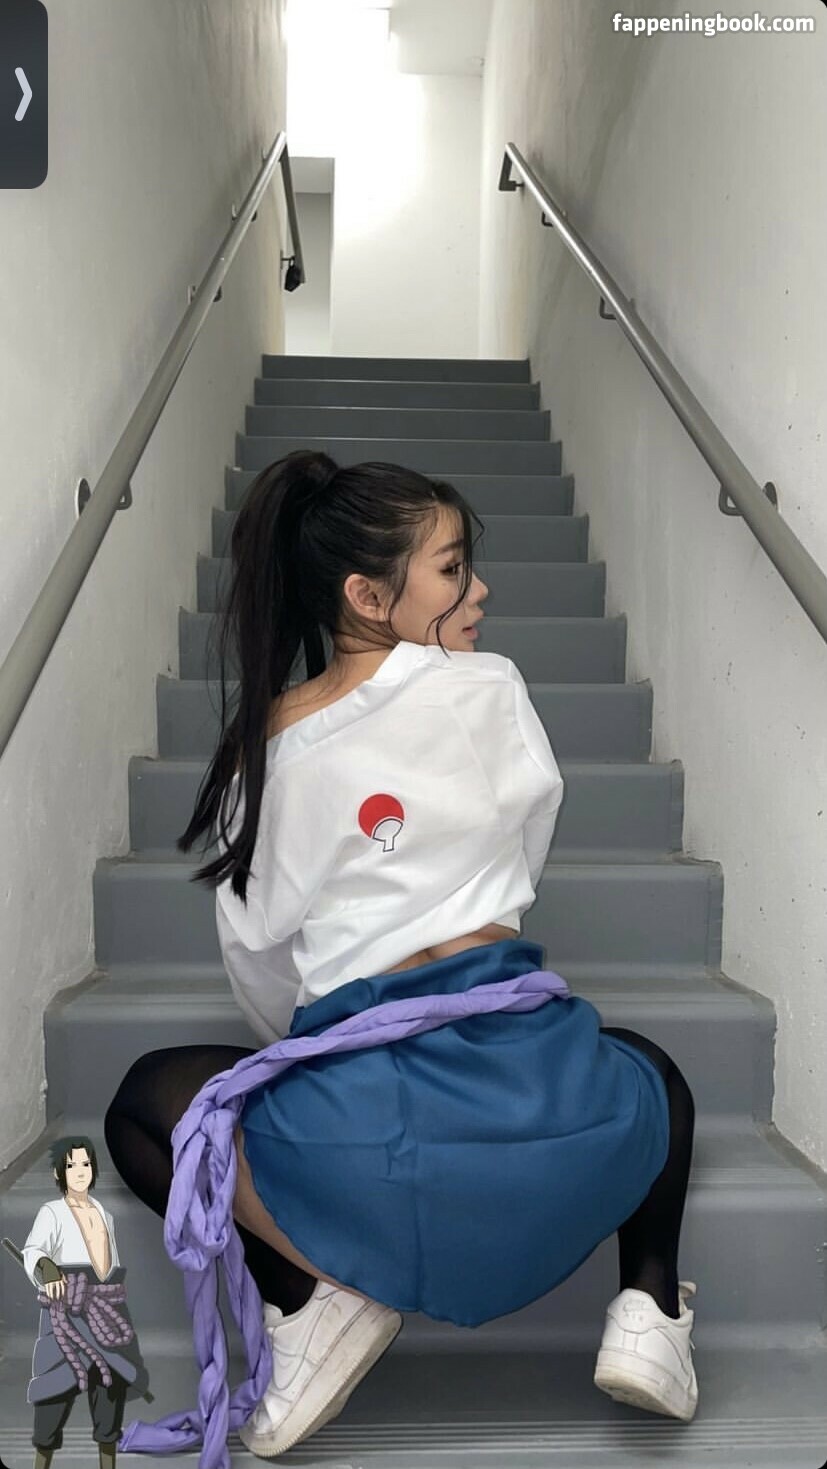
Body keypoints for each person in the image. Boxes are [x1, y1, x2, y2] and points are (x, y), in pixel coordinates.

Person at [103, 450, 698, 1468]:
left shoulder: (266, 745)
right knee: (652, 1071)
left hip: (368, 1148)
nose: (480, 591)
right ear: (367, 595)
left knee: (142, 1104)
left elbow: (259, 962)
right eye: (453, 570)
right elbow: (520, 858)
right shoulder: (490, 686)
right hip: (547, 1113)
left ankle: (310, 1300)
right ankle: (647, 1312)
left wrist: (323, 1056)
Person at [20, 1137, 151, 1469]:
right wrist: (48, 1270)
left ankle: (108, 1463)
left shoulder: (105, 1214)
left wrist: (111, 1295)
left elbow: (110, 1267)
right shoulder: (51, 1212)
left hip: (106, 1307)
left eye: (85, 1163)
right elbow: (34, 1250)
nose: (80, 1171)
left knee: (110, 1389)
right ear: (58, 1173)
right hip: (67, 1308)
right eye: (71, 1165)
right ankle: (41, 1462)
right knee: (52, 1393)